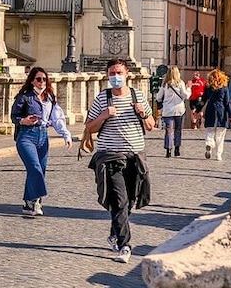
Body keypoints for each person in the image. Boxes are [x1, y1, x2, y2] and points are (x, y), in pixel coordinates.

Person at [83, 59, 155, 261]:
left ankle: (115, 234)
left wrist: (142, 113)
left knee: (130, 200)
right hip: (110, 157)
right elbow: (90, 127)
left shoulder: (137, 96)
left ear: (127, 74)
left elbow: (150, 125)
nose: (116, 77)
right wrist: (105, 115)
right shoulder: (102, 98)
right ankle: (125, 245)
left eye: (119, 73)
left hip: (135, 157)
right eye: (112, 73)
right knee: (120, 200)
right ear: (107, 75)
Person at [9, 67, 72, 217]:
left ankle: (29, 202)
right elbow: (14, 116)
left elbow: (57, 118)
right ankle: (37, 199)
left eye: (44, 79)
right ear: (32, 81)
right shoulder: (24, 97)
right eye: (38, 79)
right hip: (26, 136)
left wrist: (66, 135)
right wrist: (23, 120)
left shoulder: (50, 97)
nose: (42, 82)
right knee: (35, 167)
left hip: (43, 136)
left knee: (39, 170)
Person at [200, 66, 231, 162]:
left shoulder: (208, 88)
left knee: (210, 131)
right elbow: (227, 103)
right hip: (221, 112)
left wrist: (198, 110)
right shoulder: (224, 89)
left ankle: (209, 143)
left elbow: (203, 100)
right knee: (220, 135)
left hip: (210, 110)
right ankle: (218, 155)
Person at [156, 66, 189, 158]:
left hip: (168, 110)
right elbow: (186, 96)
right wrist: (189, 89)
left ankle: (168, 150)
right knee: (178, 130)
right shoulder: (180, 83)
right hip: (179, 110)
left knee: (168, 131)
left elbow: (158, 97)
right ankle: (177, 148)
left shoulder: (165, 84)